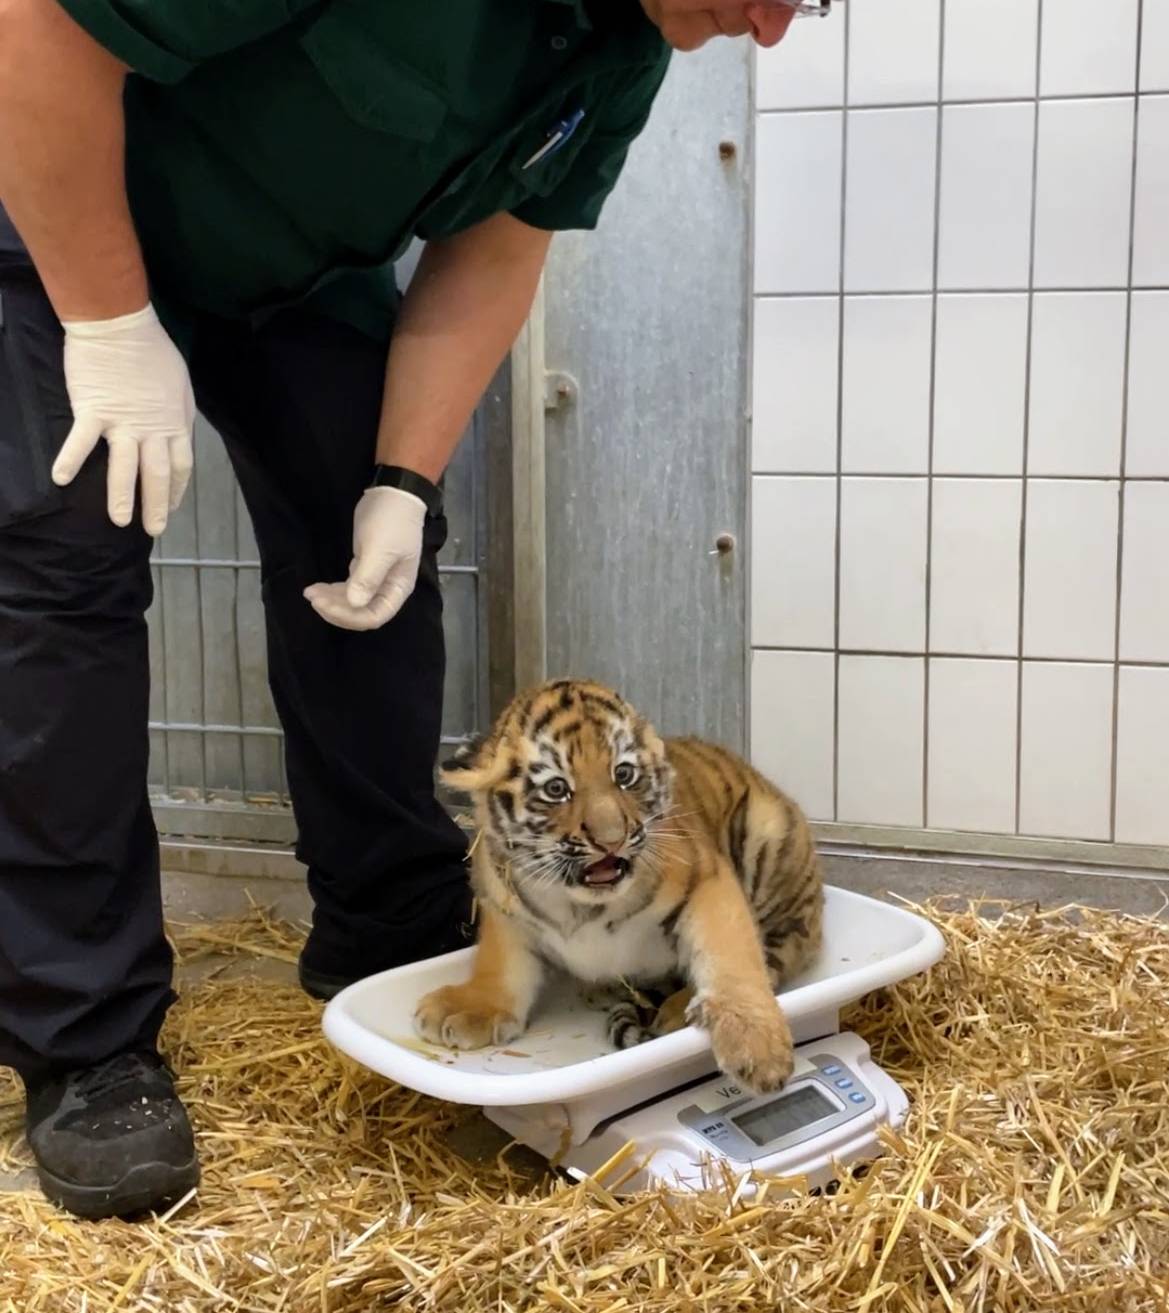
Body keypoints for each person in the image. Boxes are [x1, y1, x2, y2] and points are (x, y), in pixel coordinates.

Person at [0, 0, 796, 1218]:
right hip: (61, 189)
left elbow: (499, 240)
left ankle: (383, 930)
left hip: (292, 277)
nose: (776, 28)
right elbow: (38, 31)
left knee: (369, 557)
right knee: (63, 565)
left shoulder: (623, 46)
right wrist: (109, 326)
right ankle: (85, 1037)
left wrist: (402, 482)